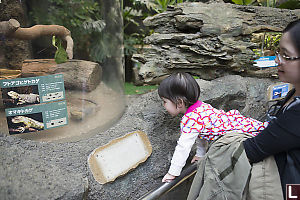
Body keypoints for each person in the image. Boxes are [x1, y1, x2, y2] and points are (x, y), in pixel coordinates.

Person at [158, 72, 269, 183]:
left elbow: (183, 147)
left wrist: (172, 173)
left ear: (179, 102)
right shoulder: (201, 107)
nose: (163, 106)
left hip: (244, 135)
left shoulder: (190, 120)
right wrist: (200, 154)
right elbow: (200, 135)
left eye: (165, 101)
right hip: (244, 126)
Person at [243, 19, 300, 197]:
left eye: (286, 55)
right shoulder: (292, 94)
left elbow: (252, 150)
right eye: (278, 53)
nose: (277, 60)